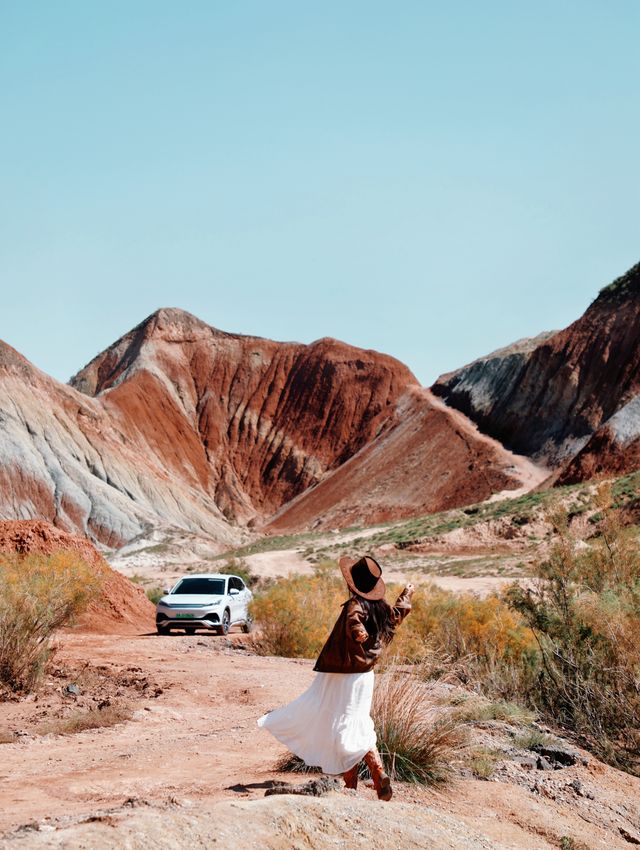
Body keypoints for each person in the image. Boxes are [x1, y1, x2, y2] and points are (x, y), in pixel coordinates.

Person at [257, 555, 414, 801]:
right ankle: (376, 771)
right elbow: (397, 615)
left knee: (338, 723)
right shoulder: (381, 608)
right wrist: (406, 595)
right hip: (365, 676)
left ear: (353, 583)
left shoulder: (355, 604)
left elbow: (354, 621)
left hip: (341, 674)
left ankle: (353, 783)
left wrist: (358, 631)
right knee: (357, 721)